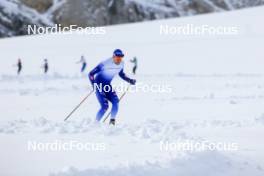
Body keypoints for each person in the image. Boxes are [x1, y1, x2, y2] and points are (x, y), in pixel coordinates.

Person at [89, 49, 136, 125]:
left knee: (116, 101)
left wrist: (129, 80)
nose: (119, 59)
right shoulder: (105, 63)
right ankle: (95, 124)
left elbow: (121, 74)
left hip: (107, 85)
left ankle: (112, 122)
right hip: (98, 85)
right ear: (113, 56)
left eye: (121, 57)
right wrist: (94, 85)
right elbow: (91, 74)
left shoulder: (121, 64)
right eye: (117, 57)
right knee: (105, 106)